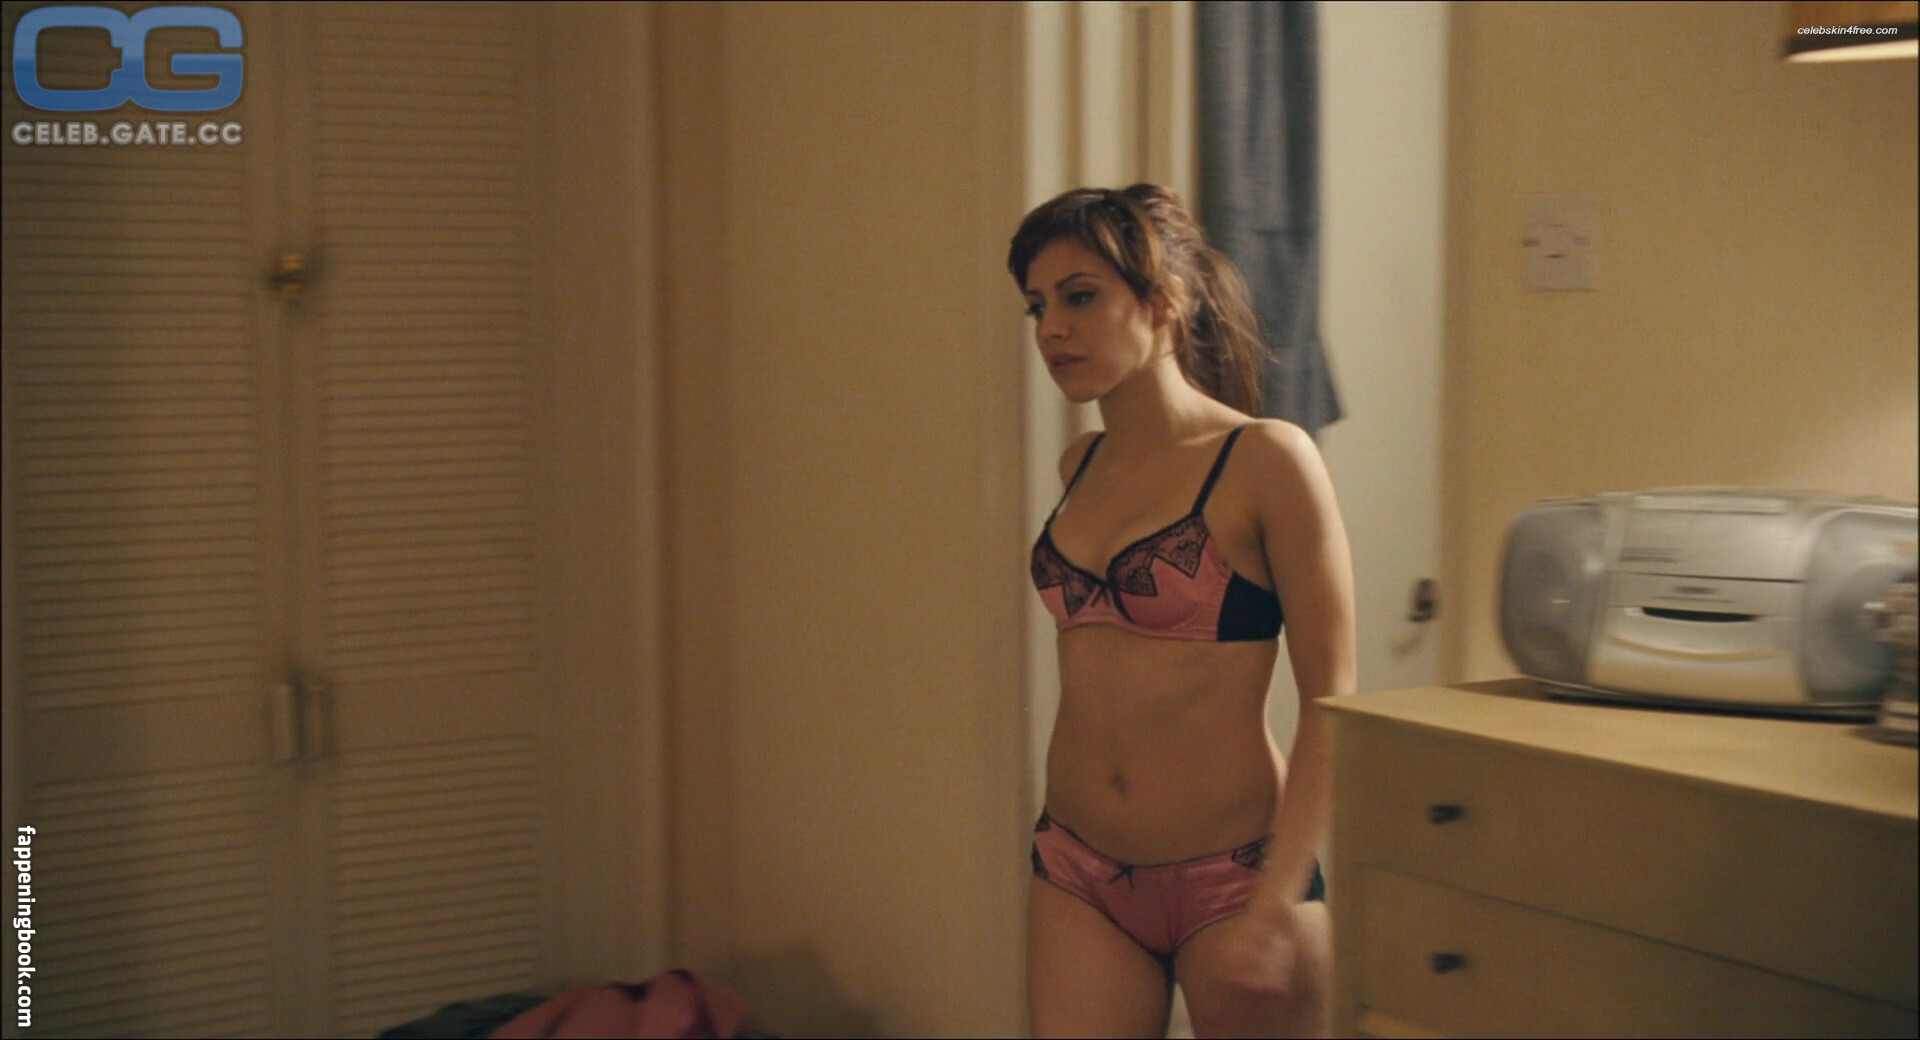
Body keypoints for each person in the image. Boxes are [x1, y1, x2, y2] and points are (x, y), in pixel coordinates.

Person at [1011, 184, 1356, 1038]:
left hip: (1238, 879)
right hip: (1078, 869)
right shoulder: (1079, 466)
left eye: (1080, 297)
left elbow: (1333, 701)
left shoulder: (1266, 460)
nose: (1053, 330)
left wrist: (1279, 898)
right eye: (1039, 306)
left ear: (1164, 300)